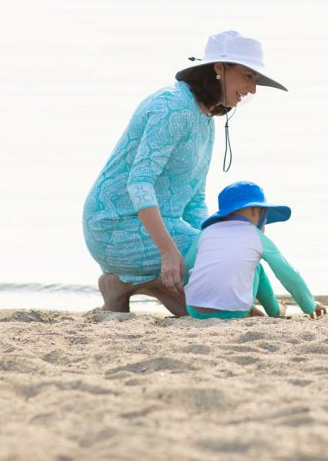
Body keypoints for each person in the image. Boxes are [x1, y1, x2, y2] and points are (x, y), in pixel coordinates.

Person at [83, 31, 286, 316]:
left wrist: (216, 239)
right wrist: (169, 252)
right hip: (115, 225)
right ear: (219, 68)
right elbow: (139, 183)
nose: (252, 89)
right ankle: (137, 281)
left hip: (160, 226)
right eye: (248, 76)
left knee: (214, 295)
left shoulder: (204, 119)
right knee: (228, 274)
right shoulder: (172, 107)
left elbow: (194, 202)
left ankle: (131, 285)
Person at [184, 181, 327, 320]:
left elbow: (187, 267)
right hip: (233, 312)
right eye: (264, 216)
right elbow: (289, 275)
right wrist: (310, 305)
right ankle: (275, 310)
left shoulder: (205, 232)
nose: (265, 221)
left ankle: (250, 308)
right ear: (255, 210)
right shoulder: (256, 236)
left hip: (194, 309)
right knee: (257, 268)